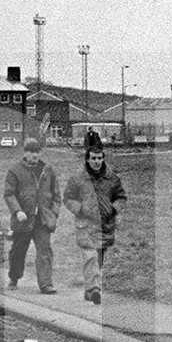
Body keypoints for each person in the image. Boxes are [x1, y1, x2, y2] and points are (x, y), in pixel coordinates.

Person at [62, 130, 127, 304]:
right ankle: (95, 289)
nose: (97, 162)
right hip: (85, 224)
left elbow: (121, 197)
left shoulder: (112, 178)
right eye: (93, 158)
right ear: (87, 159)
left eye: (100, 158)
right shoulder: (78, 178)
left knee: (97, 260)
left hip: (104, 225)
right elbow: (67, 198)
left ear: (103, 158)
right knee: (89, 256)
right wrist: (80, 208)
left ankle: (89, 289)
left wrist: (113, 209)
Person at [3, 136, 61, 294]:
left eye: (37, 152)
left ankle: (46, 284)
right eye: (31, 152)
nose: (35, 155)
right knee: (18, 250)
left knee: (45, 250)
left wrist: (54, 213)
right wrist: (17, 210)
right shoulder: (15, 171)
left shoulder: (48, 171)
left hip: (42, 219)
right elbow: (9, 194)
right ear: (25, 153)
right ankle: (14, 278)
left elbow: (56, 195)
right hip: (23, 218)